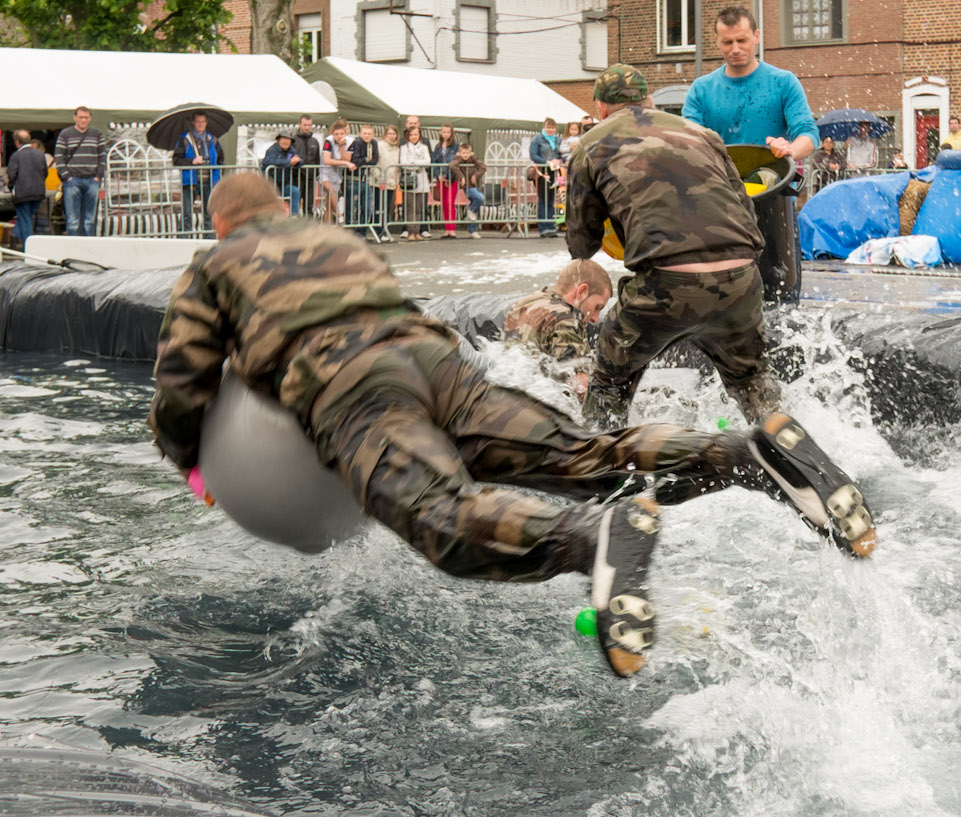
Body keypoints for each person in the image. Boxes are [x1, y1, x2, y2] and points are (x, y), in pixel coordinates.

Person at [148, 172, 877, 677]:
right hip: (441, 367)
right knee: (584, 451)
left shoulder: (215, 263)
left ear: (222, 223)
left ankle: (593, 537)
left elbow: (183, 385)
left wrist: (193, 464)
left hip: (353, 391)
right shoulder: (340, 241)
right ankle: (748, 453)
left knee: (444, 519)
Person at [567, 64, 782, 429]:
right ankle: (789, 446)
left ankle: (601, 464)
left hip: (664, 286)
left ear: (600, 108)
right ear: (649, 101)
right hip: (741, 280)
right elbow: (746, 210)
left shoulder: (591, 144)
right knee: (753, 384)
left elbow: (581, 245)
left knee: (610, 379)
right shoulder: (703, 134)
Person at [681, 5, 818, 160]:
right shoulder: (700, 90)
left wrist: (790, 150)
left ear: (756, 36)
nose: (735, 49)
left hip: (775, 180)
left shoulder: (784, 82)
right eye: (727, 42)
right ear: (717, 42)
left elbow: (808, 133)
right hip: (720, 181)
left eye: (742, 40)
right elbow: (689, 141)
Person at [503, 259, 613, 397]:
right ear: (582, 292)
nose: (595, 318)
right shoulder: (566, 320)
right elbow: (580, 385)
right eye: (597, 307)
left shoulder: (526, 303)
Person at [55, 107, 109, 237]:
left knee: (90, 219)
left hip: (91, 179)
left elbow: (102, 156)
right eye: (81, 117)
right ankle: (74, 247)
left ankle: (88, 246)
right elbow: (59, 156)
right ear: (75, 117)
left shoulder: (97, 134)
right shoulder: (65, 134)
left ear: (90, 118)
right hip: (73, 179)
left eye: (86, 117)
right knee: (73, 219)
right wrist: (66, 176)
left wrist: (98, 175)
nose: (83, 120)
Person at [173, 112, 222, 235]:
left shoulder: (213, 139)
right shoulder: (184, 139)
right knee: (187, 213)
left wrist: (217, 175)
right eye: (198, 122)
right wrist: (192, 161)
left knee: (209, 212)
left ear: (206, 123)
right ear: (193, 123)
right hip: (190, 180)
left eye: (203, 121)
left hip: (209, 181)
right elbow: (176, 160)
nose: (200, 124)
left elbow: (221, 159)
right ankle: (184, 238)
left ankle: (209, 239)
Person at [6, 135, 50, 250]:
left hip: (22, 192)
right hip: (38, 192)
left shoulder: (16, 156)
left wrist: (10, 187)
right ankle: (14, 236)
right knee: (26, 217)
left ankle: (28, 246)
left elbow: (12, 174)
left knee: (25, 218)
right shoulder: (40, 155)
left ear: (17, 142)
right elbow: (45, 172)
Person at [318, 120, 356, 225]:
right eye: (336, 134)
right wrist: (345, 163)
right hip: (324, 171)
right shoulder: (328, 141)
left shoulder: (350, 142)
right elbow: (327, 160)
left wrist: (341, 147)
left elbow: (346, 159)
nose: (339, 136)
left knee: (329, 204)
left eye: (341, 134)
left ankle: (326, 228)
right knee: (329, 189)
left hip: (337, 173)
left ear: (346, 133)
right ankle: (339, 216)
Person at [398, 125, 431, 240]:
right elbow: (403, 162)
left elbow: (427, 162)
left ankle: (417, 231)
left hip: (421, 177)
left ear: (419, 135)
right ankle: (411, 231)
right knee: (409, 207)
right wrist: (417, 162)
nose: (413, 137)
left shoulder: (424, 147)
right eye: (411, 135)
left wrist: (414, 161)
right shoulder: (404, 148)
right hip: (409, 178)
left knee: (419, 207)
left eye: (415, 134)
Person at [529, 118, 561, 238]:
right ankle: (544, 227)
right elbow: (533, 155)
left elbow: (561, 153)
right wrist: (545, 162)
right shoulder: (537, 139)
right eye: (548, 127)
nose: (550, 130)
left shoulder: (558, 140)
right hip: (542, 171)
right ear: (544, 127)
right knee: (543, 199)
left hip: (554, 171)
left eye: (552, 128)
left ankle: (551, 225)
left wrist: (559, 160)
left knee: (551, 200)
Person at [449, 141, 486, 238]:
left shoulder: (473, 159)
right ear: (460, 153)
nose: (466, 155)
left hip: (475, 184)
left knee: (476, 205)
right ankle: (470, 210)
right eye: (463, 153)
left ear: (471, 153)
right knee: (480, 198)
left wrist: (475, 175)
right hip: (467, 186)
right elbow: (452, 165)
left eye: (467, 153)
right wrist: (461, 177)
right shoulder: (459, 159)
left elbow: (483, 167)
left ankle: (472, 230)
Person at [432, 124, 461, 238]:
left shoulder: (456, 146)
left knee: (450, 202)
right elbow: (434, 162)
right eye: (444, 132)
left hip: (451, 178)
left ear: (451, 133)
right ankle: (447, 229)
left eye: (448, 132)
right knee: (444, 203)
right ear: (441, 133)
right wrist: (438, 175)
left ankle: (452, 228)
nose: (446, 134)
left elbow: (456, 163)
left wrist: (450, 177)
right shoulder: (438, 146)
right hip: (441, 178)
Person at [351, 123, 382, 231]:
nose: (367, 136)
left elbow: (375, 159)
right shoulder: (357, 143)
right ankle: (353, 232)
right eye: (364, 133)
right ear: (360, 133)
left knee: (367, 208)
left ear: (373, 134)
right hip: (354, 179)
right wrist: (366, 159)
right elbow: (355, 160)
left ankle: (362, 232)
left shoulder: (374, 143)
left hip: (367, 179)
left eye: (369, 133)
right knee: (354, 208)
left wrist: (365, 160)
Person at [261, 133, 301, 212]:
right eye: (283, 139)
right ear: (278, 140)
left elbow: (299, 159)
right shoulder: (272, 150)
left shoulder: (292, 150)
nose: (286, 142)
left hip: (284, 185)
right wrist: (288, 162)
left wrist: (297, 162)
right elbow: (268, 161)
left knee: (295, 191)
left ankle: (294, 217)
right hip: (270, 185)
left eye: (288, 139)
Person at [291, 115, 322, 214]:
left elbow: (317, 159)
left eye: (309, 125)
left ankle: (308, 226)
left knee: (309, 204)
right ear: (300, 125)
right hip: (296, 177)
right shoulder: (293, 140)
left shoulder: (315, 141)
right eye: (305, 125)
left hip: (310, 177)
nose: (307, 127)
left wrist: (315, 173)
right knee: (295, 202)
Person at [377, 126, 401, 240]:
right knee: (380, 207)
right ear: (385, 134)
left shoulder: (397, 148)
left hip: (391, 181)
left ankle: (385, 230)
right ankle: (380, 231)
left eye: (393, 134)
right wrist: (379, 177)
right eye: (389, 133)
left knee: (387, 207)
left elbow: (396, 166)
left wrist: (396, 180)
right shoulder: (380, 145)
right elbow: (377, 161)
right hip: (380, 181)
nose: (392, 136)